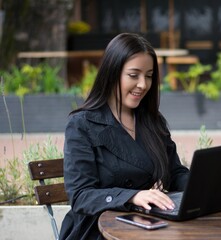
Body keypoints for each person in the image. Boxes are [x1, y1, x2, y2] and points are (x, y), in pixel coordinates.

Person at [59, 33, 190, 240]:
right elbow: (81, 196)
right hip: (98, 230)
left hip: (149, 226)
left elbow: (175, 172)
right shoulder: (82, 124)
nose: (143, 84)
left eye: (148, 76)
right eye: (133, 75)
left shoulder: (152, 121)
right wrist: (133, 196)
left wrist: (203, 187)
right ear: (112, 73)